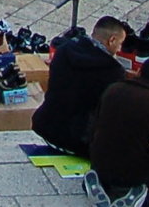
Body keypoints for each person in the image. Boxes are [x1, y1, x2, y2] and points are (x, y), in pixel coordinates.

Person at [86, 58, 149, 207]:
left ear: (139, 72)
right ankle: (142, 196)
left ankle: (98, 184)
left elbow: (93, 128)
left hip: (100, 164)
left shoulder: (112, 89)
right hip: (134, 174)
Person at [32, 16, 130, 156]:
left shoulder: (64, 49)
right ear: (112, 40)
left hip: (46, 127)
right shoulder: (113, 71)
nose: (120, 49)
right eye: (120, 43)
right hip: (78, 142)